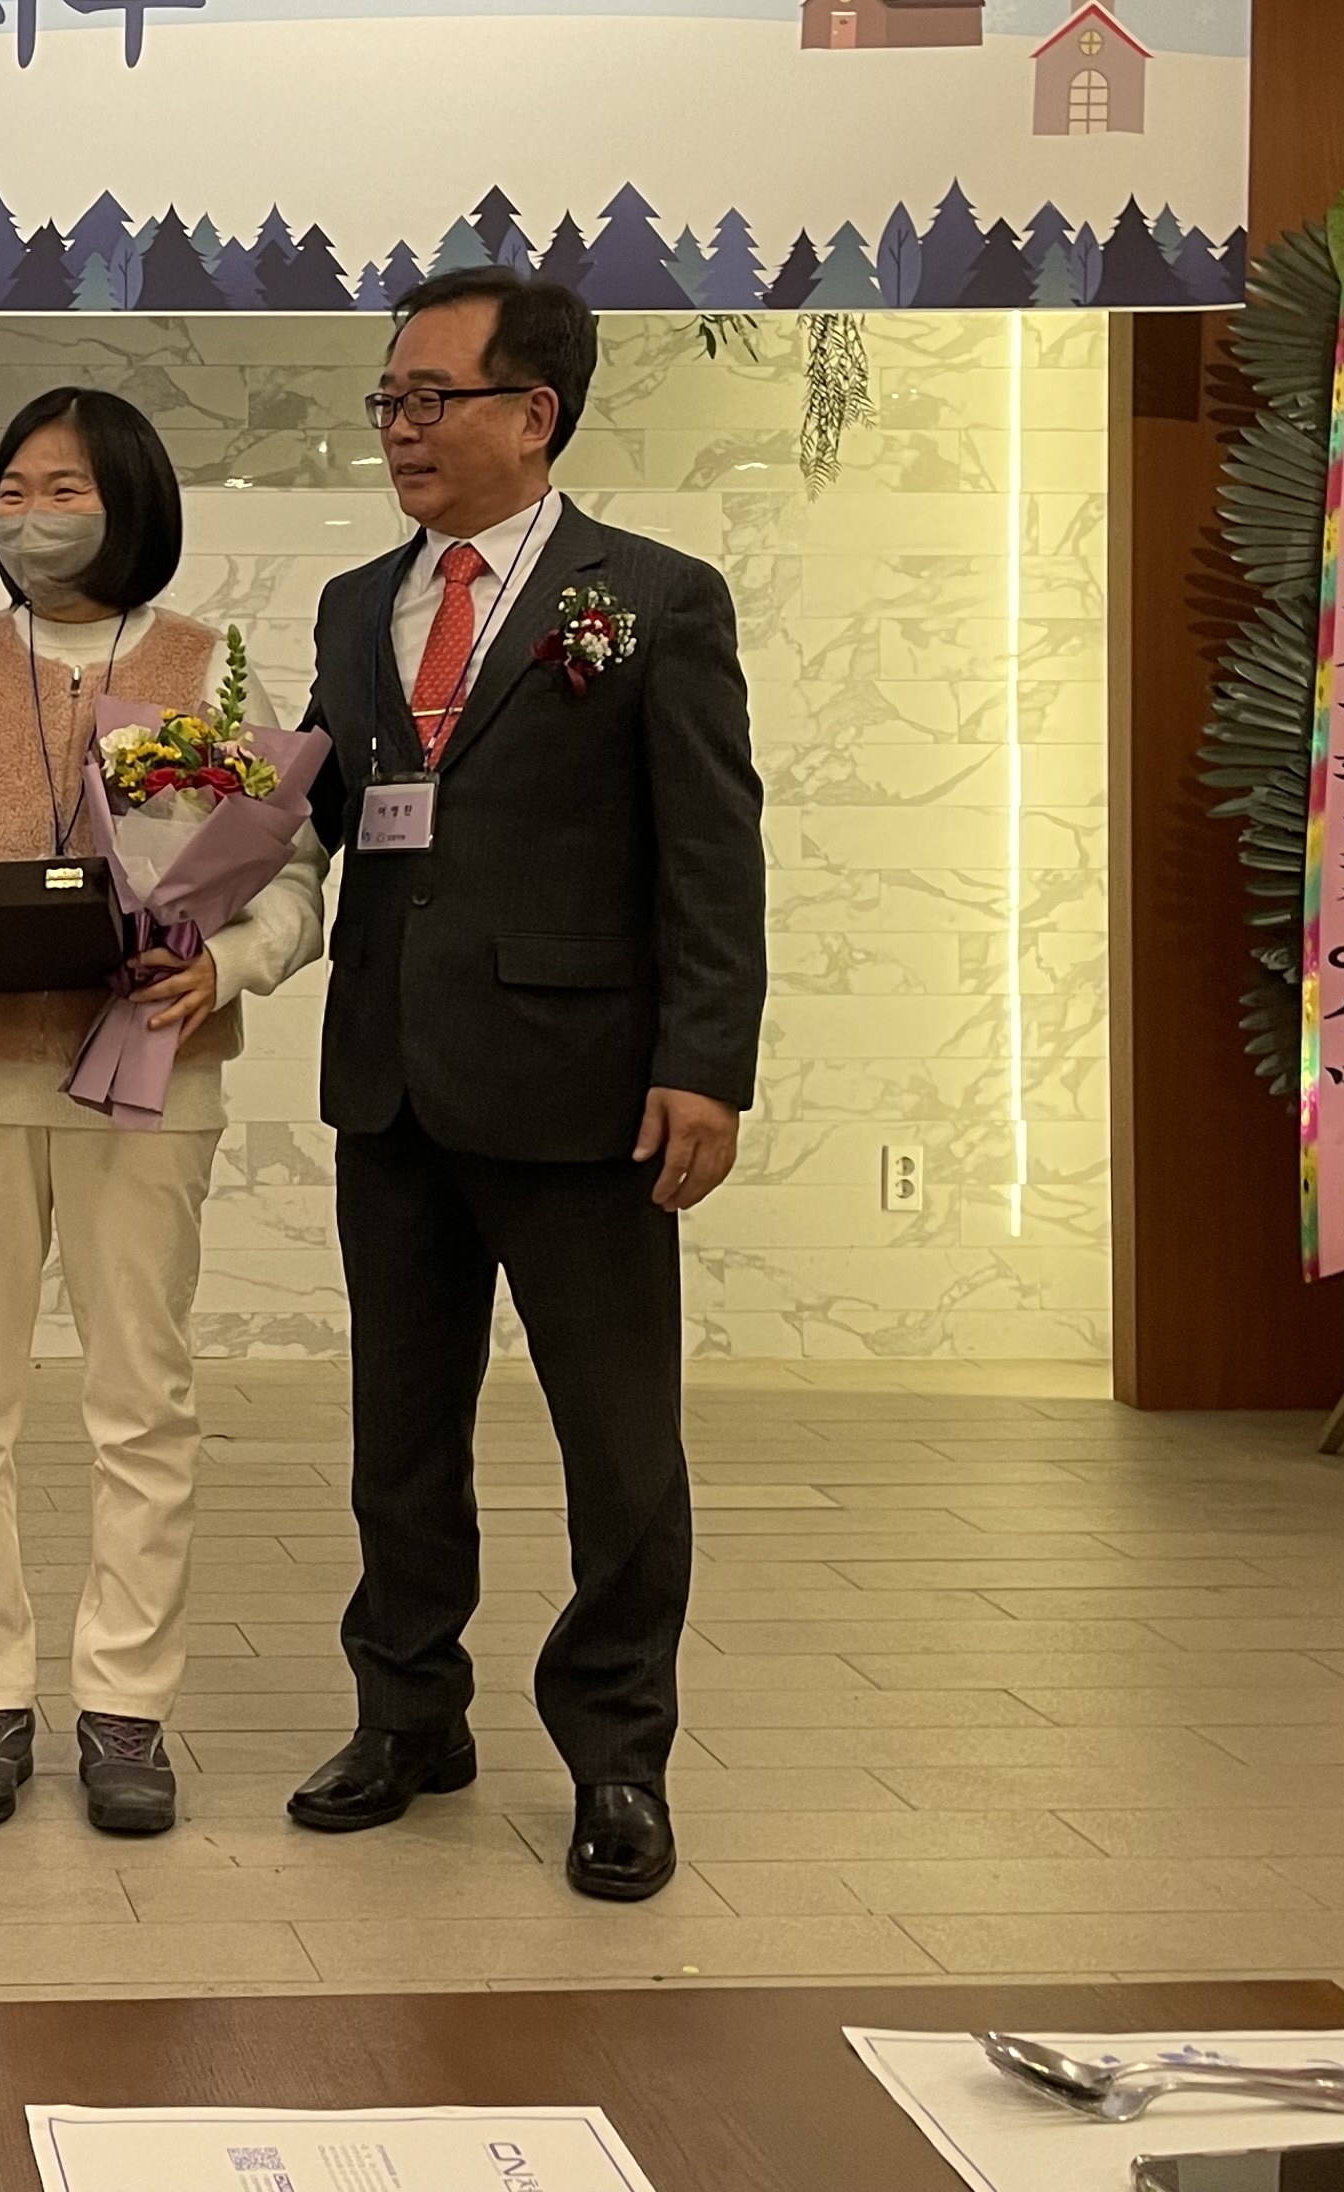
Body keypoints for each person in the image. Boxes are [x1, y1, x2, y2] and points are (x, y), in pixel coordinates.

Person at [286, 266, 763, 1903]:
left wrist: (705, 1066)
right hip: (390, 1084)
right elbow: (321, 808)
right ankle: (408, 1713)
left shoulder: (655, 598)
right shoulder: (357, 605)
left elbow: (712, 852)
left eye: (432, 399)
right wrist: (178, 847)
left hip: (584, 1091)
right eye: (390, 402)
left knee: (618, 1447)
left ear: (534, 414)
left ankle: (619, 1754)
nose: (401, 430)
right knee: (400, 1433)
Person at [0, 388, 326, 1835]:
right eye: (12, 488)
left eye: (64, 489)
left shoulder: (206, 665)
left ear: (133, 502)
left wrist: (227, 964)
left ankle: (126, 1705)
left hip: (151, 1080)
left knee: (142, 1404)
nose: (30, 514)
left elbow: (291, 877)